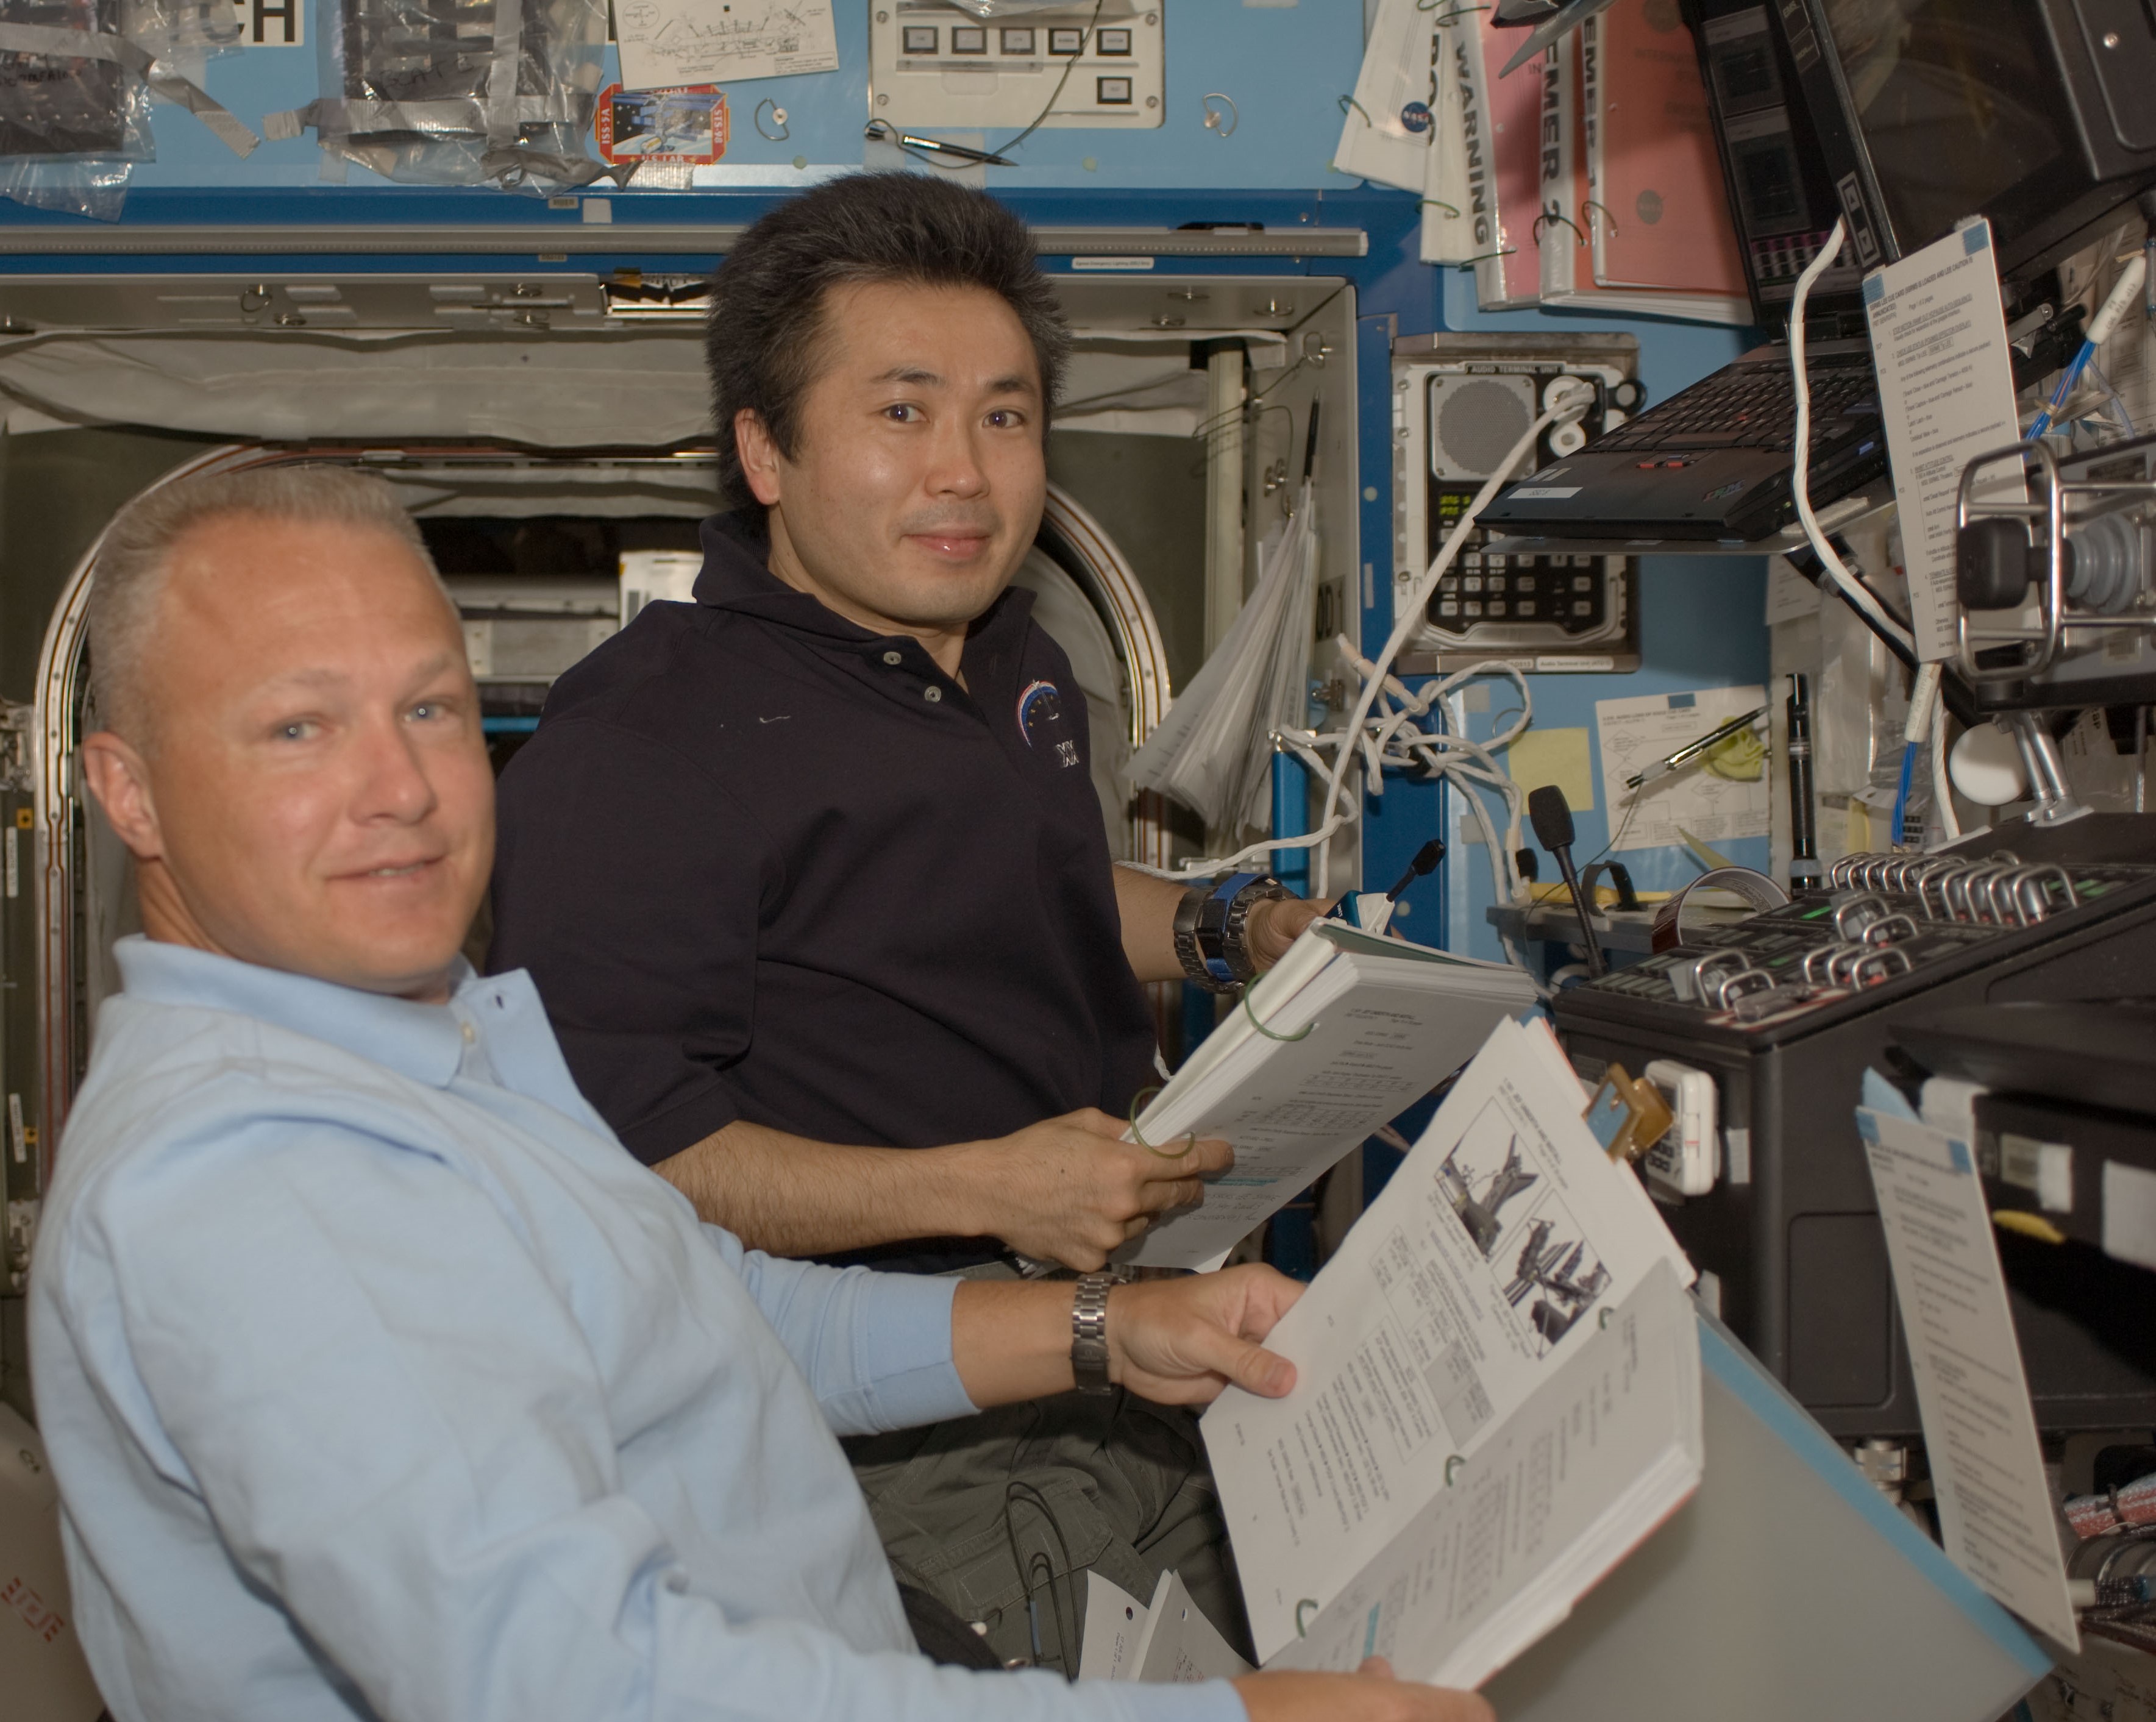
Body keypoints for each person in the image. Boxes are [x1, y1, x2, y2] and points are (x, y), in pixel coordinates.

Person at [28, 466, 1490, 1722]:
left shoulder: (415, 1043)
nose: (401, 787)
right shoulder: (255, 1181)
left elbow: (708, 1307)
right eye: (299, 728)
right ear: (130, 792)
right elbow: (578, 1688)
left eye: (429, 707)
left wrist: (1107, 1327)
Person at [485, 173, 1320, 1664]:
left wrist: (1215, 927)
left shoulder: (1015, 660)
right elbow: (629, 1170)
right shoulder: (646, 741)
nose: (964, 473)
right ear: (764, 450)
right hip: (888, 1427)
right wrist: (985, 1190)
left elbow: (1040, 897)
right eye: (901, 413)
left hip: (1107, 1334)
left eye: (1003, 416)